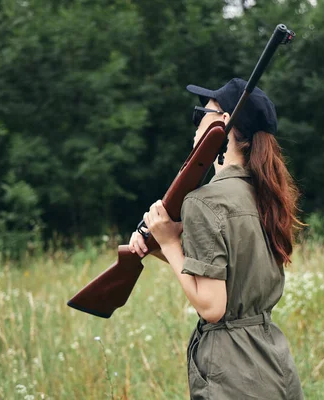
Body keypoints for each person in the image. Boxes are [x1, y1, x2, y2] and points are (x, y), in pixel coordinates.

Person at [128, 78, 305, 399]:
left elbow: (212, 306)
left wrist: (169, 243)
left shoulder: (204, 202)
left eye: (201, 115)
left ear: (222, 124)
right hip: (274, 363)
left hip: (232, 373)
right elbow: (229, 273)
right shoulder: (264, 196)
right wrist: (161, 242)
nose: (195, 126)